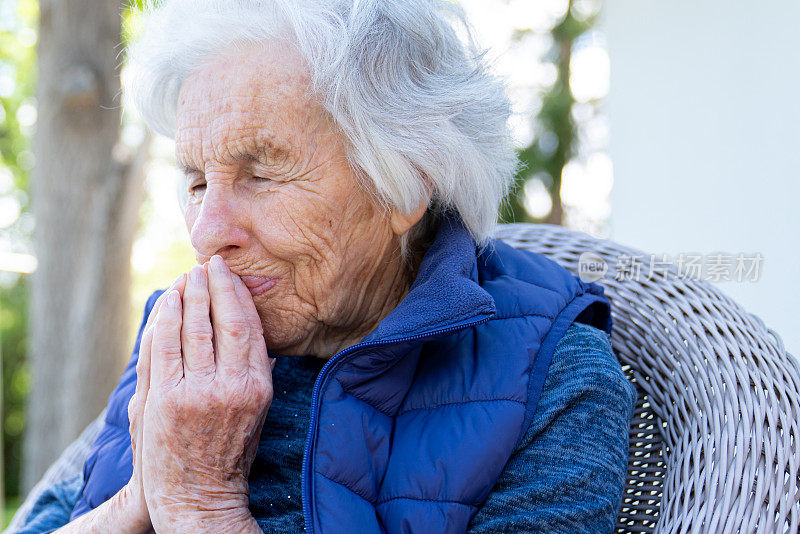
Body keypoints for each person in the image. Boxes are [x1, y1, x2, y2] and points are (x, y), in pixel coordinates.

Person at [14, 0, 637, 532]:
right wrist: (137, 499)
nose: (207, 235)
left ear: (405, 179)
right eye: (199, 182)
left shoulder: (552, 381)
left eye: (260, 173)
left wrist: (201, 505)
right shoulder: (188, 338)